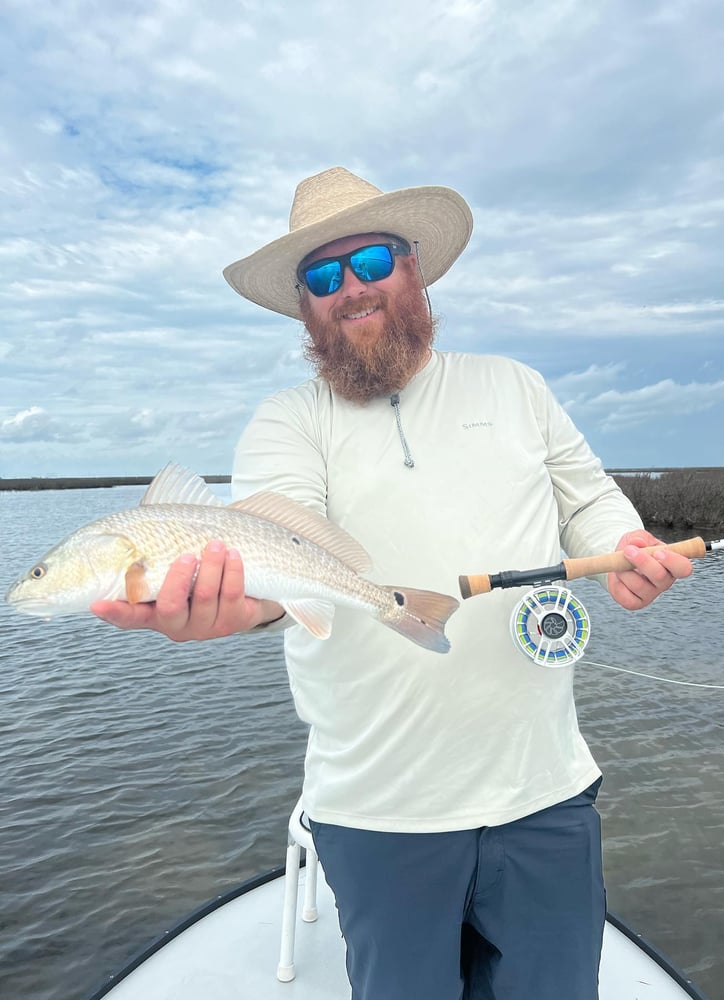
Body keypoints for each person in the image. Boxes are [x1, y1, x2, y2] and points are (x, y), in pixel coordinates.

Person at [93, 166, 693, 999]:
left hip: (545, 792)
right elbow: (275, 551)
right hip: (378, 814)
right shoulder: (286, 422)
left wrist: (621, 542)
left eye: (370, 261)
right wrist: (235, 606)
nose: (351, 289)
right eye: (323, 276)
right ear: (304, 305)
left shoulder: (516, 386)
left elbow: (587, 499)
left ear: (414, 264)